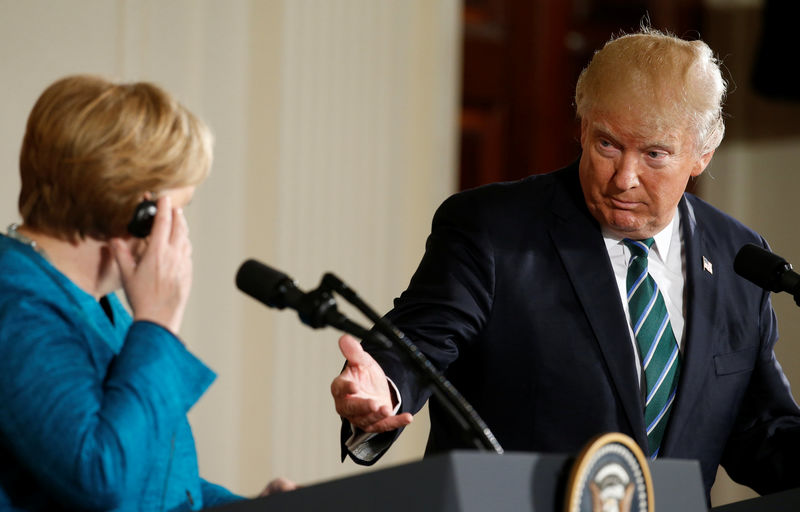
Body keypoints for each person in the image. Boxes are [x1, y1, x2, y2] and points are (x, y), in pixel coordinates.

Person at [330, 27, 800, 499]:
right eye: (607, 145)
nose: (625, 178)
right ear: (581, 127)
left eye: (654, 154)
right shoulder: (494, 231)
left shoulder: (737, 257)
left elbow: (761, 434)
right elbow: (420, 341)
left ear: (702, 154)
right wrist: (383, 386)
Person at [0, 75, 294, 510]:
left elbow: (153, 476)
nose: (183, 232)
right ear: (137, 211)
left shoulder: (100, 304)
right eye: (179, 211)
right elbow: (101, 478)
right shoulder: (18, 304)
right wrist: (157, 321)